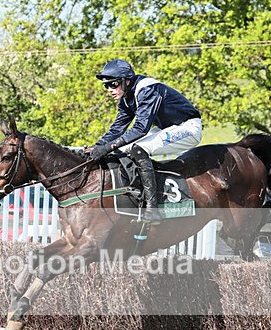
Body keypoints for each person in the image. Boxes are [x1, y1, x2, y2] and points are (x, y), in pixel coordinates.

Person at [85, 59, 203, 222]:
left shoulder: (147, 89)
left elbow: (141, 129)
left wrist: (108, 147)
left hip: (189, 128)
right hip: (168, 129)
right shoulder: (126, 98)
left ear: (126, 81)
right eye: (106, 86)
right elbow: (117, 128)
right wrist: (97, 147)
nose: (110, 90)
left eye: (113, 84)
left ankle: (152, 208)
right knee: (122, 150)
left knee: (138, 148)